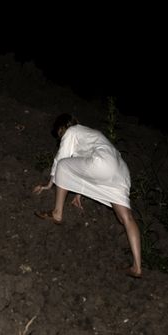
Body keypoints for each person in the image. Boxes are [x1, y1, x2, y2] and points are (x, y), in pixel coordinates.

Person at [33, 113, 142, 278]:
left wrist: (49, 184)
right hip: (121, 171)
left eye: (59, 134)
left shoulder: (71, 131)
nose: (60, 138)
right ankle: (137, 267)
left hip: (103, 164)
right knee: (126, 217)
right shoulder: (90, 134)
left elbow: (61, 158)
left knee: (63, 165)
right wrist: (79, 193)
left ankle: (57, 213)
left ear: (62, 128)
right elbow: (84, 167)